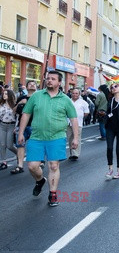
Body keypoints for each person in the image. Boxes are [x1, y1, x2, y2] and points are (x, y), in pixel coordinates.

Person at [17, 71, 79, 207]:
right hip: (36, 137)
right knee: (32, 166)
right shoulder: (36, 96)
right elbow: (26, 114)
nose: (49, 80)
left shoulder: (66, 100)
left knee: (53, 165)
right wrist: (21, 133)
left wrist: (75, 138)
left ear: (59, 83)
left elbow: (74, 119)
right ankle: (40, 180)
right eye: (48, 78)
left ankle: (53, 194)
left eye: (53, 79)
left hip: (57, 137)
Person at [11, 80, 37, 174]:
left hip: (35, 125)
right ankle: (20, 166)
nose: (32, 85)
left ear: (36, 87)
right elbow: (14, 111)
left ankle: (38, 162)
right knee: (20, 145)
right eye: (30, 84)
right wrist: (20, 103)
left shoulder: (39, 98)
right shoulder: (22, 97)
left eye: (34, 84)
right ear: (26, 87)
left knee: (34, 145)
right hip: (21, 125)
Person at [68, 88, 90, 161]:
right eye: (73, 93)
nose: (74, 95)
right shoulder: (68, 101)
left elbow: (87, 112)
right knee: (70, 138)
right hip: (68, 123)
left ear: (79, 94)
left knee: (76, 137)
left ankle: (75, 154)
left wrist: (81, 117)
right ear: (71, 94)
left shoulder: (83, 102)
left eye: (76, 93)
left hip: (78, 123)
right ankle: (71, 153)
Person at [0, 89, 18, 171]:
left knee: (9, 145)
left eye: (6, 94)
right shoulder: (1, 104)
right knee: (2, 145)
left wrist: (16, 127)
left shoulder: (14, 105)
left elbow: (18, 117)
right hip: (2, 125)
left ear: (10, 95)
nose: (4, 95)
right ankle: (4, 162)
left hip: (11, 126)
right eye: (3, 94)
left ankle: (19, 154)